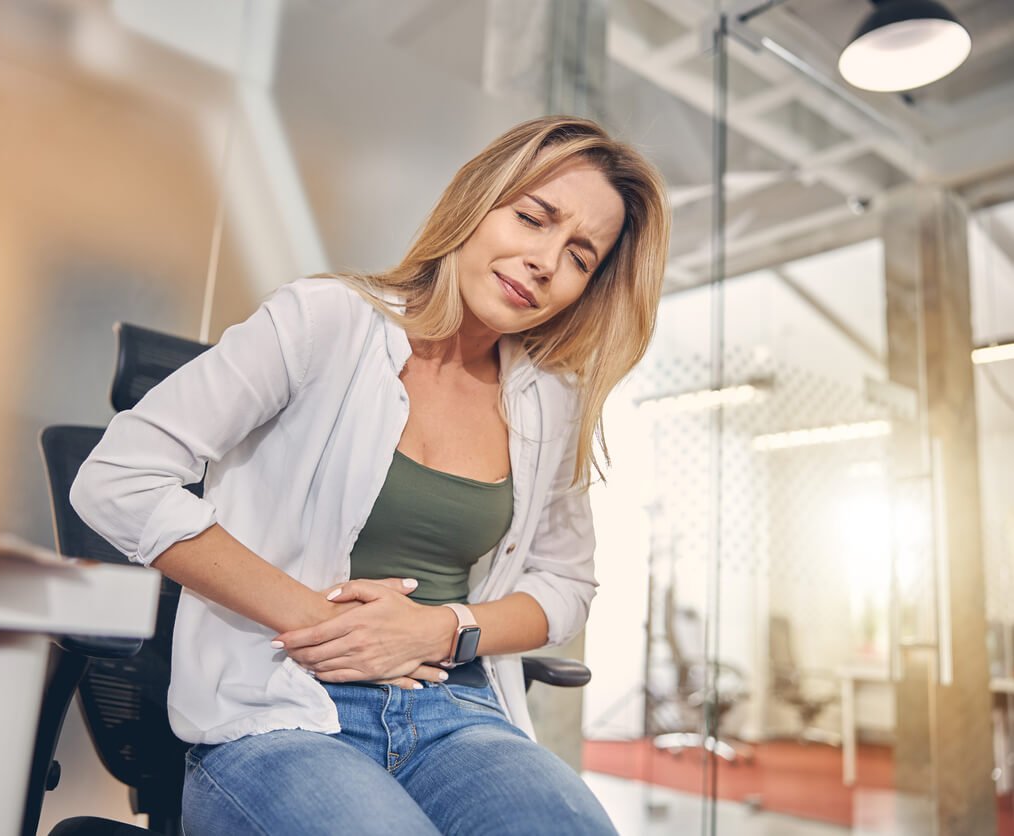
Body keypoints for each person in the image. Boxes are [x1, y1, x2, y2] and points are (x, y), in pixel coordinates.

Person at [70, 114, 668, 835]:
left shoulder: (551, 401)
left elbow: (566, 586)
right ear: (477, 203)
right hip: (282, 715)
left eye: (579, 255)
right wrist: (320, 619)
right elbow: (118, 478)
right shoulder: (325, 321)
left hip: (458, 713)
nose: (545, 260)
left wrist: (443, 630)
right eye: (533, 218)